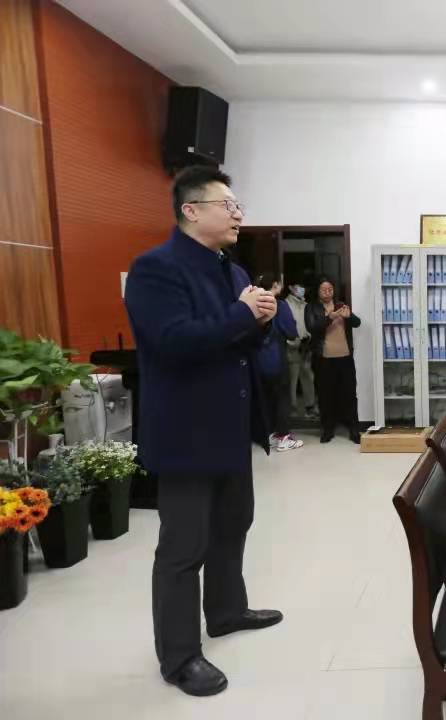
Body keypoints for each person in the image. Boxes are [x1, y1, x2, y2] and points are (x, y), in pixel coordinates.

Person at [124, 166, 282, 697]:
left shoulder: (233, 272)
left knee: (234, 523)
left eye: (238, 206)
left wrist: (259, 323)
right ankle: (179, 657)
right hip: (186, 434)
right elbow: (174, 343)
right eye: (227, 204)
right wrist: (242, 316)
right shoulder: (156, 269)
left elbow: (237, 342)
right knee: (184, 546)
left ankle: (227, 610)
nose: (238, 214)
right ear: (191, 211)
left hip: (230, 426)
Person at [305, 277, 362, 443]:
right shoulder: (312, 307)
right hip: (324, 359)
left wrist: (348, 316)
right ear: (318, 291)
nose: (327, 292)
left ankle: (354, 430)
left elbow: (357, 323)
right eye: (324, 290)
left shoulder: (340, 305)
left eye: (330, 289)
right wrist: (330, 317)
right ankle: (327, 430)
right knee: (325, 395)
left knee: (349, 394)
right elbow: (312, 327)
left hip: (345, 357)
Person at [254, 273, 303, 452]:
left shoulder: (253, 303)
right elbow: (291, 332)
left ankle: (270, 435)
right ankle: (283, 437)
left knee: (266, 399)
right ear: (275, 284)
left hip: (257, 360)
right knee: (283, 398)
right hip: (276, 357)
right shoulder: (279, 305)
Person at [284, 278, 317, 419]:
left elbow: (309, 324)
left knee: (308, 377)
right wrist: (291, 342)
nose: (301, 290)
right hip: (291, 347)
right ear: (291, 288)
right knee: (292, 379)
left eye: (303, 287)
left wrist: (309, 338)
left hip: (306, 346)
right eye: (298, 287)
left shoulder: (306, 305)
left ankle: (310, 407)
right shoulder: (285, 305)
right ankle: (292, 409)